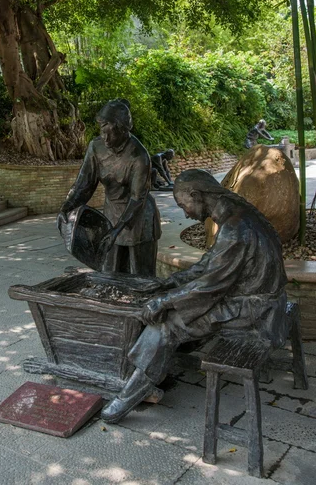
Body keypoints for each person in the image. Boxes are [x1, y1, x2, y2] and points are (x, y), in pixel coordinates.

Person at [101, 169, 288, 423]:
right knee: (176, 304)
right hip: (257, 298)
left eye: (182, 204)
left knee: (166, 324)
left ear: (196, 195)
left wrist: (163, 301)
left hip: (256, 311)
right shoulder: (236, 211)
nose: (184, 212)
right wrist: (171, 282)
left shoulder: (235, 228)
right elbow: (212, 264)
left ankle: (131, 394)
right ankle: (156, 367)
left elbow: (209, 286)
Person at [57, 99, 161, 276]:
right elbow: (84, 184)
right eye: (101, 132)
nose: (104, 138)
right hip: (111, 213)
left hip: (138, 219)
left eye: (109, 133)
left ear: (122, 129)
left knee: (139, 276)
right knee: (110, 272)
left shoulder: (139, 156)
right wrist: (66, 208)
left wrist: (117, 230)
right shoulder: (96, 147)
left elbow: (137, 198)